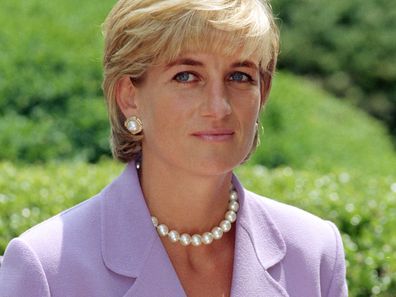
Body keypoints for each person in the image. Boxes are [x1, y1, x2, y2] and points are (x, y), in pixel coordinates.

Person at [0, 0, 348, 296]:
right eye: (186, 76)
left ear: (263, 92)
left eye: (239, 76)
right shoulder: (45, 269)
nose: (219, 106)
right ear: (129, 97)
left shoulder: (315, 253)